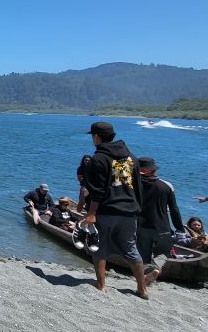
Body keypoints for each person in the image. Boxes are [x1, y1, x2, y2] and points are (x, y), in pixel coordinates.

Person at [83, 121, 148, 299]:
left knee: (99, 247)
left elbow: (98, 190)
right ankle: (142, 289)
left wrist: (91, 213)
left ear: (96, 137)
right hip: (130, 211)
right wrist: (137, 208)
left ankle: (101, 284)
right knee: (131, 249)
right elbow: (138, 186)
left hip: (107, 210)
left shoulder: (99, 159)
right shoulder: (131, 158)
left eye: (92, 136)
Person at [135, 157, 184, 284]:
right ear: (153, 171)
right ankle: (155, 269)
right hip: (162, 227)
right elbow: (174, 209)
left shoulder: (133, 184)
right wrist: (179, 227)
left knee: (143, 256)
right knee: (163, 253)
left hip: (141, 226)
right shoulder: (166, 186)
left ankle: (143, 282)